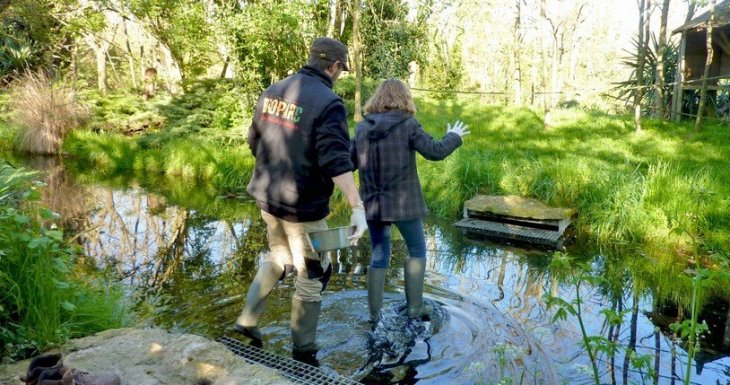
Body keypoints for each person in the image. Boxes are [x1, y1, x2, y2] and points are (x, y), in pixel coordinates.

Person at [233, 37, 368, 367]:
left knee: (279, 254)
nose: (340, 75)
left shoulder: (273, 90)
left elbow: (254, 140)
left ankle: (247, 321)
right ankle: (304, 354)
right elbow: (337, 162)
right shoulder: (329, 104)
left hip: (267, 199)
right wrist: (357, 207)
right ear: (334, 67)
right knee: (311, 276)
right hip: (302, 207)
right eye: (341, 70)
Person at [350, 79, 469, 322]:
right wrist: (454, 136)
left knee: (379, 256)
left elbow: (349, 163)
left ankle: (375, 316)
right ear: (405, 98)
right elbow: (435, 151)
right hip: (405, 205)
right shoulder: (408, 124)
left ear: (378, 98)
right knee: (416, 250)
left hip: (372, 205)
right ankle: (414, 308)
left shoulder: (361, 128)